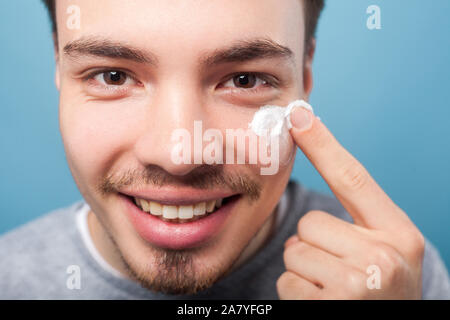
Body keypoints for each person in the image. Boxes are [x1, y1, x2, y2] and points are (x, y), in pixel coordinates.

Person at [0, 0, 449, 299]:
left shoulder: (395, 277)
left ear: (305, 77)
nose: (179, 155)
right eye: (113, 76)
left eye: (244, 80)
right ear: (58, 66)